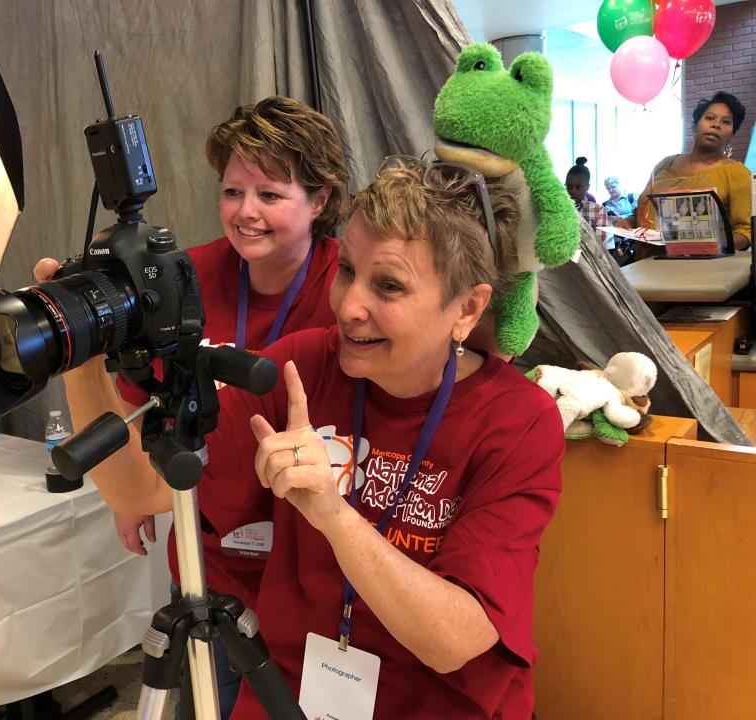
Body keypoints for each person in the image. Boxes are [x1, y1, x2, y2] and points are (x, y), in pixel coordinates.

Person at [66, 157, 565, 718]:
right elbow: (138, 493)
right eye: (348, 270)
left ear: (467, 309)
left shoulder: (518, 421)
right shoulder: (303, 366)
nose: (351, 306)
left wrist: (333, 515)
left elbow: (453, 642)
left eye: (390, 286)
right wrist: (78, 353)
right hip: (289, 692)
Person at [35, 95, 348, 719]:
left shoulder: (347, 289)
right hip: (207, 547)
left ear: (319, 200)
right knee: (205, 696)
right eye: (233, 192)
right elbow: (137, 397)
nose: (245, 213)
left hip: (309, 557)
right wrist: (128, 492)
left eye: (270, 194)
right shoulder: (185, 274)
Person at [618, 91, 752, 252]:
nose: (716, 124)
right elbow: (644, 210)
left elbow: (747, 230)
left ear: (732, 134)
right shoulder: (664, 165)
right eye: (709, 118)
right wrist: (629, 222)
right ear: (695, 125)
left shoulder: (737, 174)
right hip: (645, 268)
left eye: (726, 122)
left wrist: (718, 243)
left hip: (703, 271)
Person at [566, 157, 611, 250]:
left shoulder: (598, 210)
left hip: (588, 259)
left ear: (587, 187)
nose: (573, 191)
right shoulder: (560, 208)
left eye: (578, 187)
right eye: (569, 187)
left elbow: (599, 242)